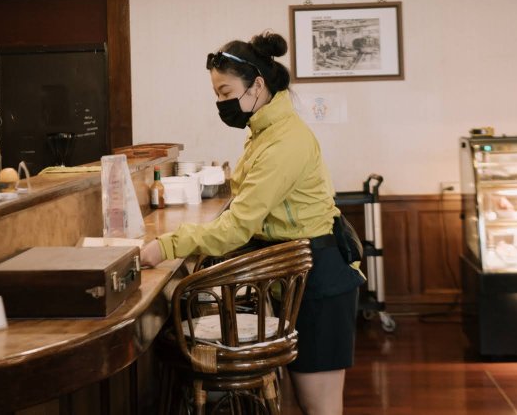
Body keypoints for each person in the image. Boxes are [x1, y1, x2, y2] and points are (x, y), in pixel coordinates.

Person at [139, 31, 364, 415]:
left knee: (321, 406)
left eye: (227, 93)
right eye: (218, 95)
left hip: (321, 277)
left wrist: (166, 245)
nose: (222, 103)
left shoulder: (284, 142)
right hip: (300, 269)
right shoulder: (264, 133)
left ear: (257, 84)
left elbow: (237, 227)